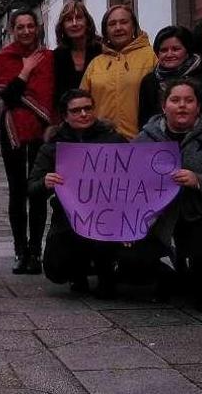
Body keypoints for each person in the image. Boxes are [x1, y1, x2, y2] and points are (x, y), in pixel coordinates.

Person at [137, 79, 202, 312]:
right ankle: (170, 278)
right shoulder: (146, 137)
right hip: (160, 218)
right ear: (164, 106)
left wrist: (200, 180)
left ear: (198, 106)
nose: (182, 106)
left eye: (189, 100)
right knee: (130, 258)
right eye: (175, 100)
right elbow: (127, 175)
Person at [28, 89, 125, 297]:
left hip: (108, 216)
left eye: (88, 108)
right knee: (56, 269)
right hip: (68, 218)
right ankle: (77, 272)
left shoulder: (114, 140)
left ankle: (106, 271)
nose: (83, 114)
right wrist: (45, 183)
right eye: (76, 110)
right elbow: (32, 188)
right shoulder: (52, 147)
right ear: (65, 115)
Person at [0, 9, 55, 274]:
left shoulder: (50, 58)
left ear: (38, 28)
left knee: (38, 191)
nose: (26, 31)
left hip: (44, 132)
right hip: (13, 132)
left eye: (31, 26)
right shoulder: (3, 57)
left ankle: (35, 252)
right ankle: (20, 250)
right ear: (12, 30)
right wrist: (26, 70)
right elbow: (8, 97)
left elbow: (52, 93)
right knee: (18, 192)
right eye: (21, 27)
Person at [80, 5, 156, 139]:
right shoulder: (95, 64)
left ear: (134, 27)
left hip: (142, 142)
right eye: (112, 24)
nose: (118, 28)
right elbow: (82, 103)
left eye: (124, 22)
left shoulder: (152, 57)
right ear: (106, 31)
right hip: (102, 144)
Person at [138, 25, 202, 126]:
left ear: (187, 52)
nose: (169, 54)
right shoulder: (149, 81)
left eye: (176, 49)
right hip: (159, 139)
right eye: (164, 50)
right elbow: (144, 121)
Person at [53, 1, 102, 100]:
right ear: (62, 26)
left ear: (87, 23)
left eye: (79, 18)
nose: (74, 24)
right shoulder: (56, 56)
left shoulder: (101, 51)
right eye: (69, 20)